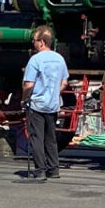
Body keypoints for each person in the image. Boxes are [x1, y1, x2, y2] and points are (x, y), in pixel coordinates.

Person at [23, 26, 68, 181]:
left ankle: (40, 170)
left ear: (42, 42)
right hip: (53, 104)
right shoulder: (60, 59)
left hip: (37, 103)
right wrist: (55, 92)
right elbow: (64, 82)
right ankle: (53, 169)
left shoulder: (35, 60)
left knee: (36, 137)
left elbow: (28, 85)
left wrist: (24, 98)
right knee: (51, 138)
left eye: (34, 40)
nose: (33, 43)